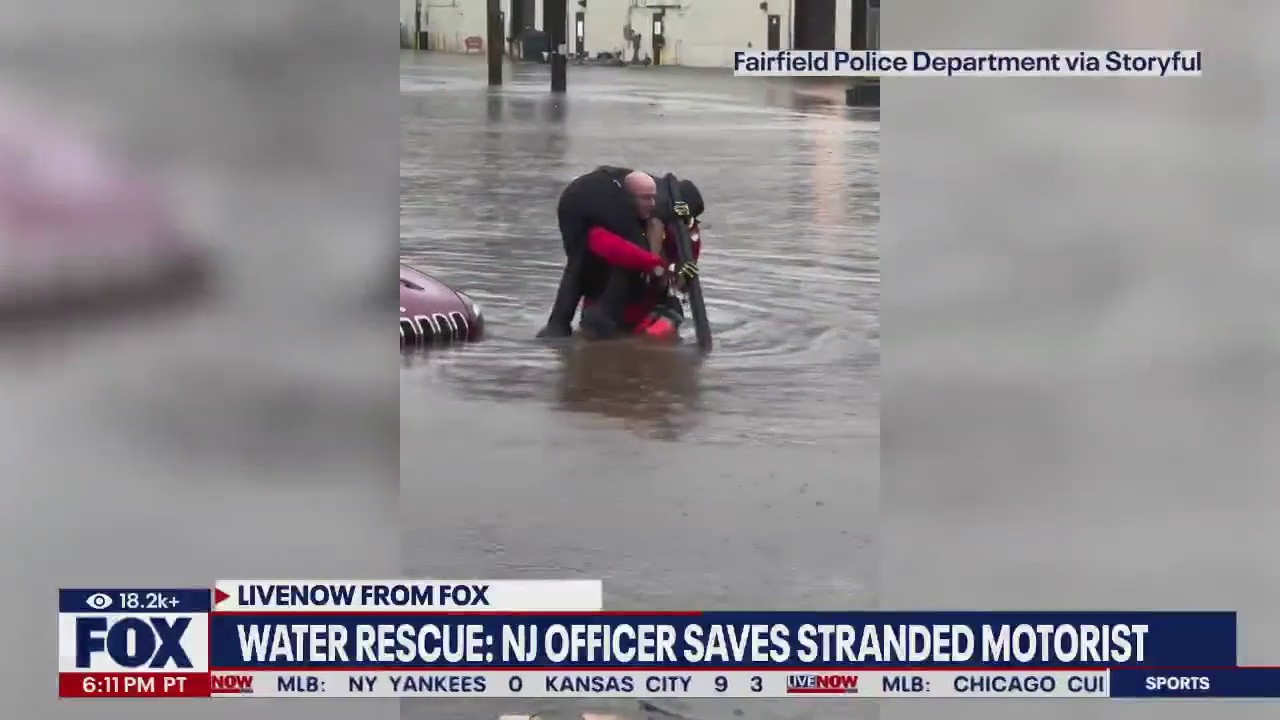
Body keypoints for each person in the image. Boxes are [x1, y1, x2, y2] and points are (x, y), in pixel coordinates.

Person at [538, 167, 703, 339]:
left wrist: (689, 235)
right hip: (608, 315)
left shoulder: (669, 232)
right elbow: (598, 242)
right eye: (646, 199)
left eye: (653, 199)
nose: (652, 205)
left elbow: (683, 277)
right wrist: (654, 265)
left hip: (644, 313)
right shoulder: (613, 226)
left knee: (669, 315)